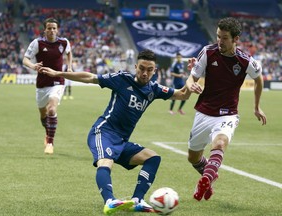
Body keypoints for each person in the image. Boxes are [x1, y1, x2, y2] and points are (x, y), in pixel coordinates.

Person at [39, 49, 191, 215]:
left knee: (153, 158)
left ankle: (137, 200)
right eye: (141, 68)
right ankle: (110, 201)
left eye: (149, 70)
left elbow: (183, 94)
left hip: (122, 141)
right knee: (106, 161)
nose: (145, 73)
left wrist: (194, 75)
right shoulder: (121, 79)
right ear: (135, 66)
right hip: (103, 132)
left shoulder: (154, 89)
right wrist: (57, 73)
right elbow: (90, 77)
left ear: (155, 70)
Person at [186, 17, 267, 201]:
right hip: (204, 112)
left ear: (235, 39)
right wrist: (191, 85)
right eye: (218, 37)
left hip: (227, 114)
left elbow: (258, 79)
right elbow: (192, 77)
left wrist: (257, 106)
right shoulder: (208, 52)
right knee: (193, 157)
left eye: (224, 38)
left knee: (220, 144)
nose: (220, 42)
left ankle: (205, 180)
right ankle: (209, 175)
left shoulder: (246, 61)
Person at [23, 17, 73, 154]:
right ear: (45, 30)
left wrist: (69, 67)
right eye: (49, 28)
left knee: (52, 109)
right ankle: (47, 132)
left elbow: (69, 53)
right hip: (42, 84)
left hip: (57, 82)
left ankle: (50, 143)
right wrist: (33, 65)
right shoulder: (37, 43)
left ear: (57, 30)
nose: (52, 30)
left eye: (54, 28)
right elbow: (25, 59)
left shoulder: (64, 42)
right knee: (43, 115)